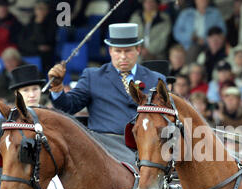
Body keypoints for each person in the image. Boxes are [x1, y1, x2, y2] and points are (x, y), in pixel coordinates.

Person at [47, 23, 166, 164]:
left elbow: (165, 118)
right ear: (110, 51)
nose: (123, 57)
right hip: (106, 147)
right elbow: (68, 107)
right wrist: (56, 87)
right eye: (118, 51)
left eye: (128, 51)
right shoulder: (93, 76)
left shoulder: (155, 79)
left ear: (138, 50)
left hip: (146, 147)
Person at [17, 0, 57, 75]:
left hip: (44, 58)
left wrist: (38, 24)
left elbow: (44, 41)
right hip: (29, 53)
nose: (40, 11)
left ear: (47, 11)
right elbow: (22, 43)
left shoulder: (52, 25)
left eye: (42, 9)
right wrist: (37, 48)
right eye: (38, 8)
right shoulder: (29, 24)